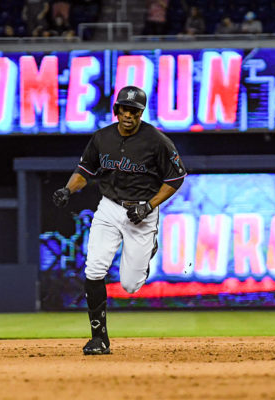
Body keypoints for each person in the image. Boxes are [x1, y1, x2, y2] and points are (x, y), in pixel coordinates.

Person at [52, 86, 186, 355]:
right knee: (94, 269)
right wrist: (68, 189)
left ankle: (149, 250)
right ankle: (99, 338)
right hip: (110, 208)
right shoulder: (102, 138)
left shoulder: (157, 141)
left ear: (141, 113)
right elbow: (84, 172)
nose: (129, 115)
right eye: (125, 109)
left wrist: (149, 206)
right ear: (117, 111)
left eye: (134, 111)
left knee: (130, 285)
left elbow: (176, 178)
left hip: (142, 213)